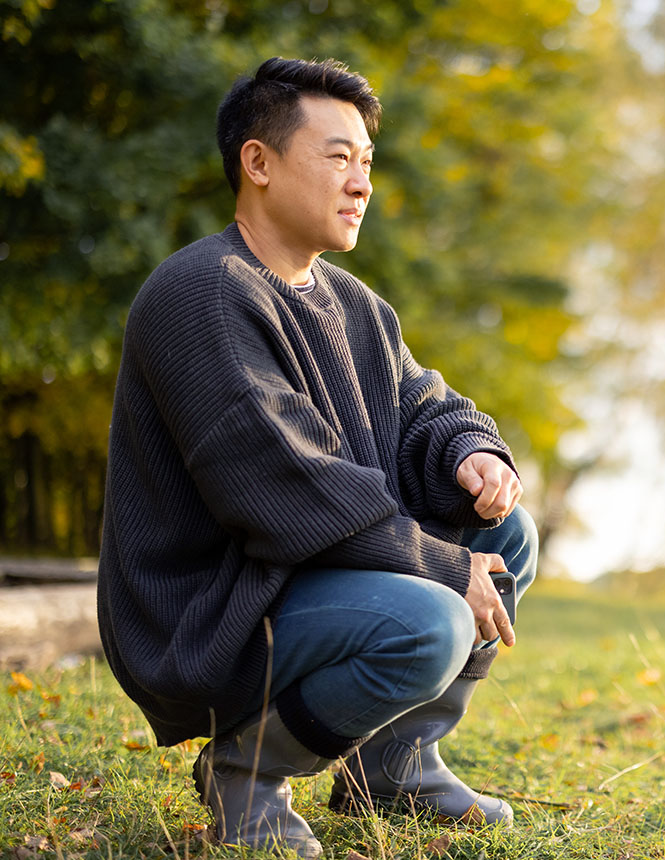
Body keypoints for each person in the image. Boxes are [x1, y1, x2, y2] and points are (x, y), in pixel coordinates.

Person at [96, 56, 537, 858]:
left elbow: (423, 408)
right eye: (337, 157)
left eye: (366, 162)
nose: (361, 183)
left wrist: (472, 453)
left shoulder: (354, 305)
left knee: (507, 537)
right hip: (215, 611)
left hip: (306, 578)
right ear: (257, 163)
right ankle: (245, 772)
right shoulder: (200, 291)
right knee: (434, 618)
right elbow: (282, 482)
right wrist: (441, 564)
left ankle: (392, 767)